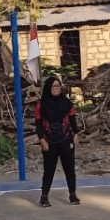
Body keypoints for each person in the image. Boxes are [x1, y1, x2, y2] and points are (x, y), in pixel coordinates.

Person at [34, 76, 80, 207]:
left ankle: (73, 195)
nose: (56, 89)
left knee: (69, 168)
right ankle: (44, 197)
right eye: (54, 86)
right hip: (49, 141)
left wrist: (75, 134)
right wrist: (42, 139)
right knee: (49, 170)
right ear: (49, 88)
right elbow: (38, 124)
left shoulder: (66, 103)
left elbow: (72, 120)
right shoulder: (41, 105)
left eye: (58, 86)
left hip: (66, 139)